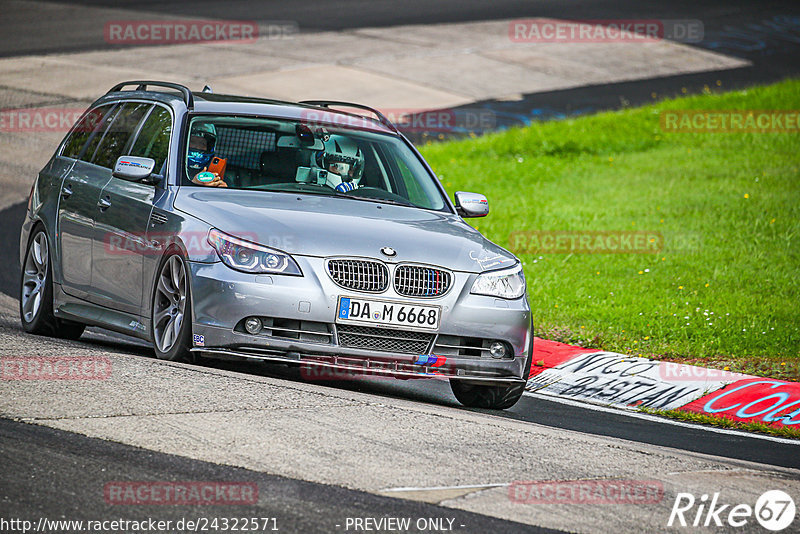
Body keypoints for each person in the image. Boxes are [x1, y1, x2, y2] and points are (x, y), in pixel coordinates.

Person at [187, 123, 227, 187]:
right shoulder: (172, 167)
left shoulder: (218, 176)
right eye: (192, 142)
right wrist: (193, 183)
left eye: (202, 143)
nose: (197, 147)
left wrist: (223, 191)